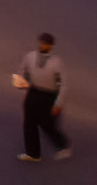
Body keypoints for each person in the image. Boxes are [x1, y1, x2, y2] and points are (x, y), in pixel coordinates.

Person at [16, 33, 71, 162]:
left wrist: (58, 103)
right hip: (34, 92)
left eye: (46, 44)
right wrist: (20, 81)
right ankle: (33, 154)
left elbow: (64, 85)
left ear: (51, 46)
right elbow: (22, 71)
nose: (42, 45)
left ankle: (63, 145)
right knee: (29, 124)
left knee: (47, 125)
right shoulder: (30, 56)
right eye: (41, 42)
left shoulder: (57, 62)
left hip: (49, 95)